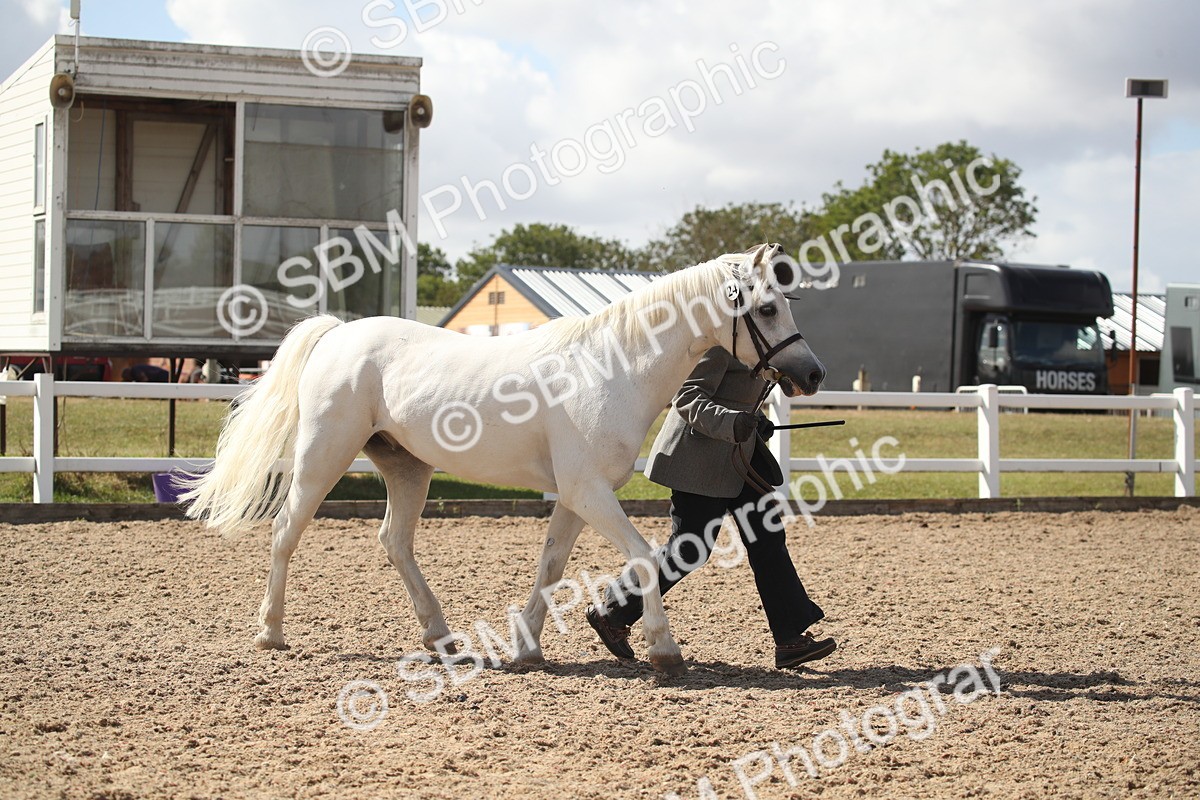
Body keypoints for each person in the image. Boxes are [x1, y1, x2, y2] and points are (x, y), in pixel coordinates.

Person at [585, 346, 835, 669]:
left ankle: (789, 639)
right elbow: (687, 398)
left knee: (767, 536)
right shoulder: (720, 346)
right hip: (697, 459)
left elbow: (739, 398)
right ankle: (612, 612)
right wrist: (731, 423)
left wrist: (755, 423)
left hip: (738, 459)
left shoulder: (759, 344)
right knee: (690, 550)